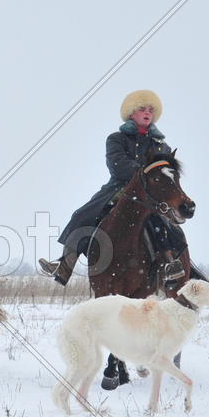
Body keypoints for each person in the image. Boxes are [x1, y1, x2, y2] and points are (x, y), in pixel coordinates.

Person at [39, 89, 187, 286]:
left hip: (150, 195)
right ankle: (65, 265)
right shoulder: (116, 139)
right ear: (132, 113)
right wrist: (144, 173)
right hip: (118, 189)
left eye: (151, 109)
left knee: (164, 224)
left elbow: (165, 174)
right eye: (142, 108)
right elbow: (118, 165)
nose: (147, 112)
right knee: (82, 215)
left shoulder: (162, 146)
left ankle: (171, 264)